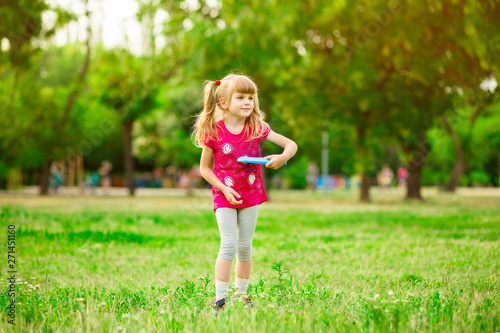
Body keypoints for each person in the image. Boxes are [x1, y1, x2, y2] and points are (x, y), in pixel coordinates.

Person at [192, 74, 297, 316]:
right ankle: (220, 297)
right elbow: (204, 169)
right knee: (228, 244)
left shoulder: (257, 128)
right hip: (224, 194)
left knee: (245, 247)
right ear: (223, 103)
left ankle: (241, 293)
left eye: (251, 97)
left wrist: (282, 158)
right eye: (240, 97)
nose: (248, 101)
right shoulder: (214, 132)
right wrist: (224, 188)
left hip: (251, 194)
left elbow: (291, 145)